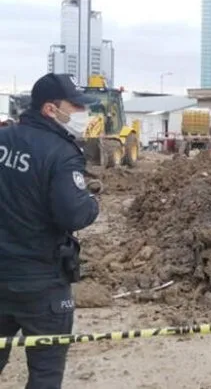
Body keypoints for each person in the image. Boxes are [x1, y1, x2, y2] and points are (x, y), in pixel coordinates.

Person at [0, 73, 100, 388]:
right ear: (49, 109)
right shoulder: (62, 153)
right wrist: (92, 202)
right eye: (76, 107)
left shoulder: (3, 140)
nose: (83, 114)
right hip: (41, 284)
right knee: (45, 373)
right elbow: (73, 214)